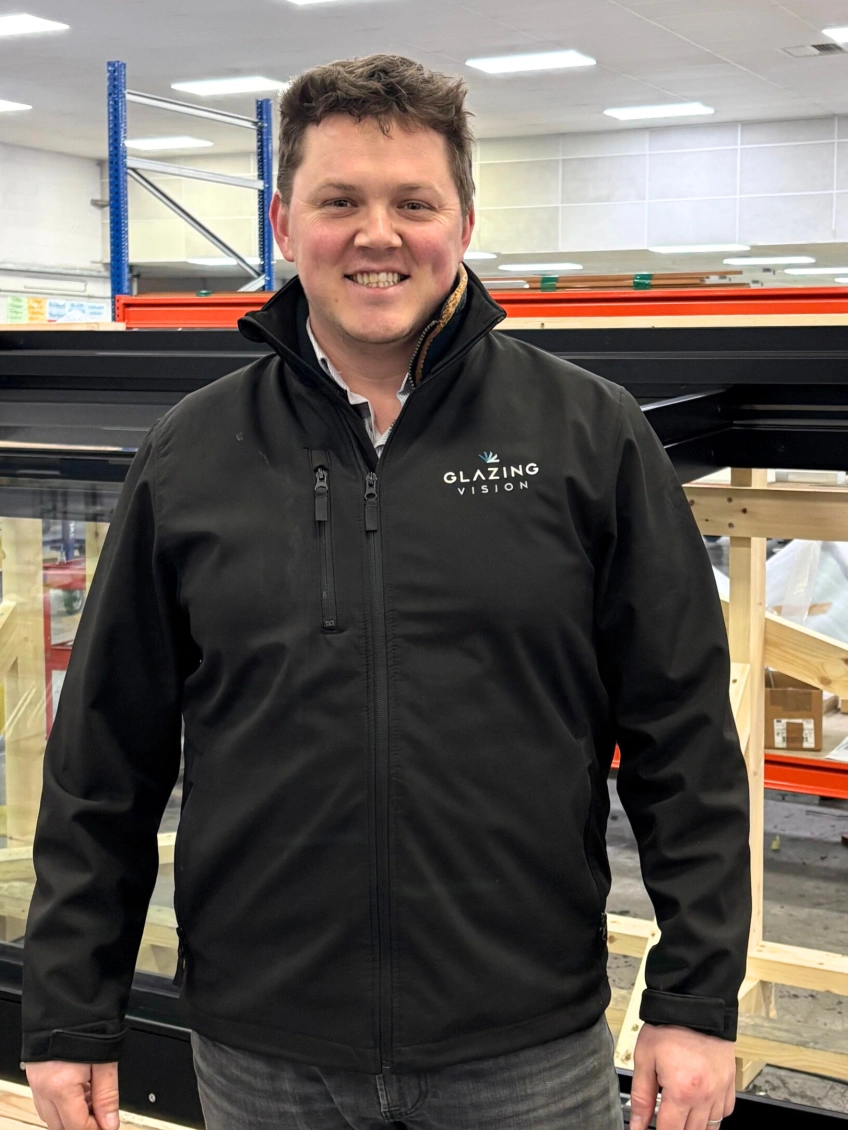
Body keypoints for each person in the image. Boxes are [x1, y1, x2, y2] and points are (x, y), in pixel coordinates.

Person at [21, 53, 751, 1130]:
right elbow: (104, 758)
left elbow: (681, 738)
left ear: (461, 218)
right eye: (338, 201)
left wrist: (693, 1000)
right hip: (264, 1049)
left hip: (524, 1045)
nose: (377, 234)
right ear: (282, 220)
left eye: (412, 201)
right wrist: (71, 1011)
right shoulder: (193, 452)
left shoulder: (587, 436)